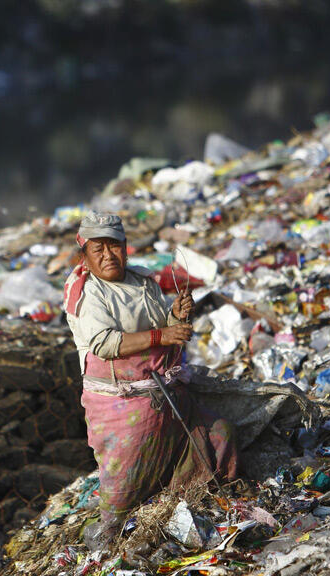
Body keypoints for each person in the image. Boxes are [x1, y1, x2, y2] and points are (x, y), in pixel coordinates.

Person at [64, 212, 238, 549]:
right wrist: (163, 334)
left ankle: (197, 503)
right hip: (123, 403)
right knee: (124, 485)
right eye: (98, 250)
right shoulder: (88, 293)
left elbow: (161, 324)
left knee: (219, 435)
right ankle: (112, 534)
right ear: (84, 255)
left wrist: (176, 314)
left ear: (126, 249)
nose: (107, 256)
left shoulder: (142, 281)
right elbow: (105, 343)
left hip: (166, 393)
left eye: (114, 247)